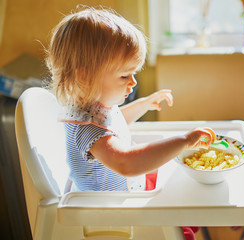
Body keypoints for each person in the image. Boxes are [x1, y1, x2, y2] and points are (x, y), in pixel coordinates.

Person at [45, 6, 213, 240]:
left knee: (180, 183)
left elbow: (116, 121)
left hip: (125, 192)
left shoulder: (93, 106)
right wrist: (183, 141)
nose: (133, 83)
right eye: (124, 76)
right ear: (85, 76)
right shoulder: (86, 129)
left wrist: (143, 104)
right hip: (112, 215)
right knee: (177, 215)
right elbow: (126, 163)